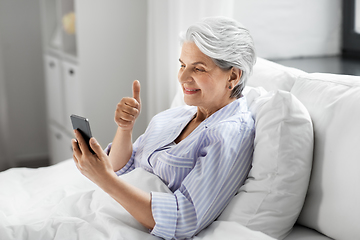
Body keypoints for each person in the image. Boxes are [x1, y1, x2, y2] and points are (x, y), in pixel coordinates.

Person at [72, 16, 256, 239]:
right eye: (182, 65)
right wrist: (125, 128)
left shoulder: (229, 135)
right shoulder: (173, 116)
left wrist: (104, 179)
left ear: (233, 76)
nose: (183, 77)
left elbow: (182, 220)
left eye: (198, 69)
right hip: (100, 209)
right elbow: (123, 169)